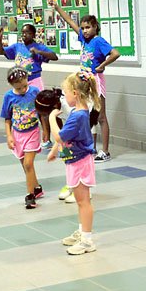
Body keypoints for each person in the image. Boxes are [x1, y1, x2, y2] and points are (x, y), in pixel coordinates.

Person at [53, 0, 120, 162]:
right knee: (86, 115)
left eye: (88, 27)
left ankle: (105, 151)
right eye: (83, 28)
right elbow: (70, 22)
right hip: (83, 80)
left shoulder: (98, 41)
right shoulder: (84, 39)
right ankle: (90, 146)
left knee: (101, 116)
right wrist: (57, 8)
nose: (85, 30)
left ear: (95, 26)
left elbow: (115, 54)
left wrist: (102, 65)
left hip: (96, 80)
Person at [48, 71, 100, 255]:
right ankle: (82, 231)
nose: (64, 96)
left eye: (65, 92)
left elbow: (59, 135)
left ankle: (87, 240)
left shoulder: (78, 116)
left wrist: (51, 118)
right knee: (80, 201)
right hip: (74, 160)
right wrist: (55, 151)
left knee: (83, 201)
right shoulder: (77, 112)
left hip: (81, 162)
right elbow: (63, 140)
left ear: (76, 93)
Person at [0, 24, 57, 149]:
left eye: (27, 33)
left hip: (34, 79)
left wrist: (38, 52)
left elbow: (54, 56)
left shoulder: (38, 46)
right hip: (20, 83)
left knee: (41, 109)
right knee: (23, 108)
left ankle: (46, 138)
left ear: (34, 34)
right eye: (22, 33)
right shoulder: (17, 46)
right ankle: (25, 132)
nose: (24, 35)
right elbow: (1, 51)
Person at [1, 67, 44, 209]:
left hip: (32, 132)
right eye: (19, 88)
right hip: (17, 134)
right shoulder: (8, 97)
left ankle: (30, 195)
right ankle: (36, 187)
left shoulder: (34, 92)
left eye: (25, 86)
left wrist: (46, 131)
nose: (23, 89)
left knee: (28, 164)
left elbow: (42, 112)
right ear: (11, 85)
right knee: (26, 165)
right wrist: (9, 136)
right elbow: (7, 118)